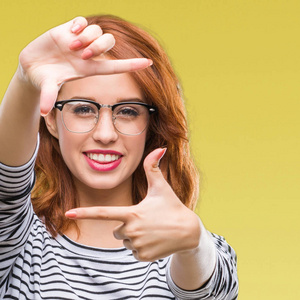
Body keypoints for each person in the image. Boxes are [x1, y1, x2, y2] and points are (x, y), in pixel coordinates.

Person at [0, 15, 238, 299]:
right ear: (51, 119)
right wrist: (26, 81)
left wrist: (194, 243)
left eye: (127, 111)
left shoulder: (194, 251)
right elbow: (6, 183)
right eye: (83, 108)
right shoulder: (16, 240)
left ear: (151, 125)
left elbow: (206, 287)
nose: (104, 133)